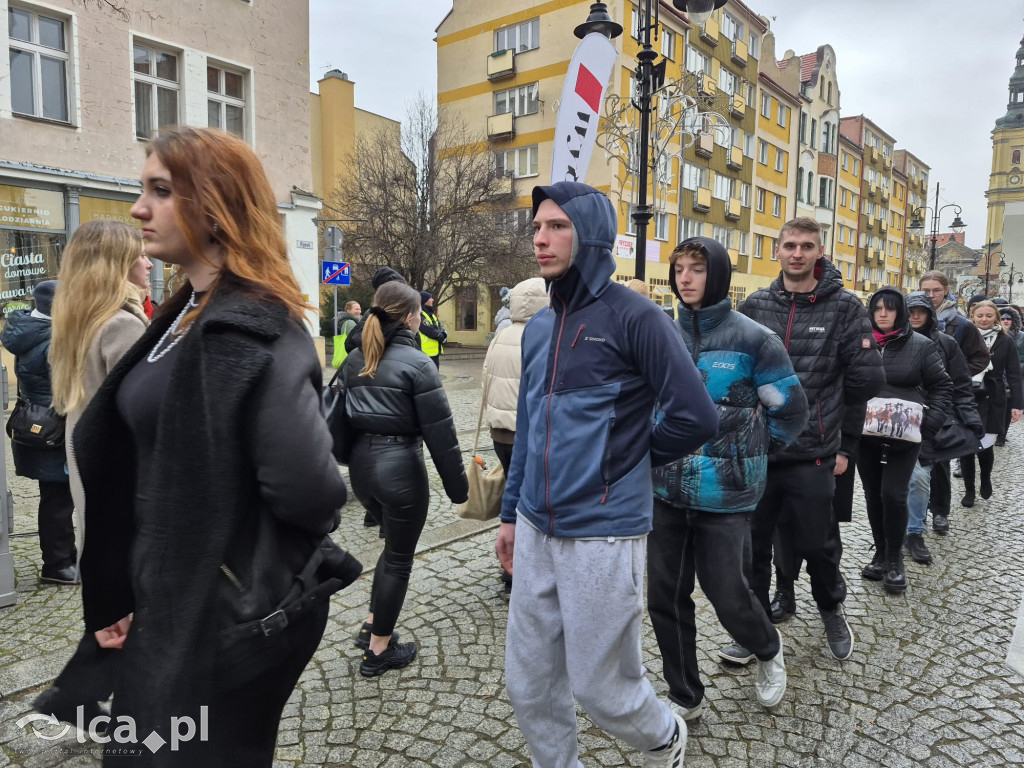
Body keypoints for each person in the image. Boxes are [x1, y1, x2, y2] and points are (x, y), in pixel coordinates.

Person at [70, 127, 350, 767]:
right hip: (167, 600)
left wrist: (220, 558)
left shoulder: (261, 325)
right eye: (144, 190)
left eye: (161, 191)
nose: (139, 208)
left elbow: (311, 490)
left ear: (215, 205)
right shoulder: (181, 313)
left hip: (228, 612)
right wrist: (124, 586)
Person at [496, 181, 719, 768]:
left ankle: (665, 736)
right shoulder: (541, 326)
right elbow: (528, 425)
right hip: (536, 524)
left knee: (602, 690)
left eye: (557, 226)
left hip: (603, 528)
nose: (541, 238)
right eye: (538, 226)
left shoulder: (635, 317)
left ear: (589, 234)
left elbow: (697, 415)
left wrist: (631, 455)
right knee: (528, 683)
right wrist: (508, 514)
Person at [648, 237, 807, 721]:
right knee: (665, 597)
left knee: (727, 593)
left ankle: (767, 646)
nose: (686, 278)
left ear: (716, 274)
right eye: (679, 269)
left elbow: (791, 412)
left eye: (697, 268)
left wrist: (750, 452)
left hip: (727, 495)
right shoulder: (660, 334)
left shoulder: (755, 340)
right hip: (664, 490)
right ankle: (685, 694)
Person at [731, 217, 883, 663]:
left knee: (818, 543)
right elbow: (736, 372)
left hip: (814, 451)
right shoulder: (756, 304)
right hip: (760, 451)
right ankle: (753, 628)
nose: (797, 253)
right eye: (790, 245)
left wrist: (845, 447)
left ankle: (831, 609)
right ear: (777, 250)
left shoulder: (846, 308)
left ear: (820, 251)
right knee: (754, 545)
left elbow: (864, 384)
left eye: (806, 246)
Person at [32, 221, 151, 730]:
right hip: (124, 490)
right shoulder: (121, 326)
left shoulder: (80, 323)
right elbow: (147, 416)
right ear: (116, 267)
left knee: (120, 610)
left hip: (93, 484)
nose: (149, 264)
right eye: (139, 256)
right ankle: (136, 729)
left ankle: (76, 695)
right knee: (136, 610)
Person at [342, 281, 468, 676]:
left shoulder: (355, 357)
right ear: (412, 318)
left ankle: (371, 624)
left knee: (391, 549)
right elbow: (442, 434)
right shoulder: (418, 364)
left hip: (362, 470)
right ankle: (378, 650)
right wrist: (458, 487)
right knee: (399, 559)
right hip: (400, 470)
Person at [856, 288, 951, 594]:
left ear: (901, 313)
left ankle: (895, 559)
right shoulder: (859, 343)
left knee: (894, 495)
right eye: (878, 308)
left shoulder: (921, 345)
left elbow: (942, 387)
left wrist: (930, 425)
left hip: (904, 436)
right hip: (865, 435)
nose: (883, 314)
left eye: (890, 309)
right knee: (873, 496)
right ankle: (881, 554)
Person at [1, 281, 76, 585]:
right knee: (58, 500)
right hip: (55, 429)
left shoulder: (29, 332)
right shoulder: (53, 340)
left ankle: (64, 558)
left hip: (40, 424)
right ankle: (57, 565)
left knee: (55, 497)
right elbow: (69, 389)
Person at [903, 291, 984, 564]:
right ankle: (892, 534)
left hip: (933, 420)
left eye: (920, 311)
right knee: (892, 484)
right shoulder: (891, 342)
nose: (915, 316)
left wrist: (970, 418)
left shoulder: (947, 344)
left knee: (922, 476)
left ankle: (917, 529)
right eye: (910, 310)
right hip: (896, 422)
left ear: (929, 314)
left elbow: (961, 384)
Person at [481, 277, 547, 594]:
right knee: (526, 500)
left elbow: (485, 379)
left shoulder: (501, 335)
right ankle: (518, 569)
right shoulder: (541, 337)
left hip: (499, 432)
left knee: (512, 493)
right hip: (526, 434)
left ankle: (507, 564)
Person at [918, 271, 990, 528]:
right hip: (915, 400)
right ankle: (916, 514)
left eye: (936, 290)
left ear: (946, 290)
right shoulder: (909, 320)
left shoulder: (960, 324)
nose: (931, 295)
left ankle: (940, 510)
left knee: (940, 459)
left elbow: (979, 358)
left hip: (943, 401)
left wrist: (947, 376)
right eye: (925, 290)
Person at [961, 300, 1023, 506]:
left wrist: (1017, 404)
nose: (984, 319)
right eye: (980, 316)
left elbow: (1014, 374)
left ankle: (985, 478)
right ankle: (969, 490)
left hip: (993, 396)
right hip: (967, 395)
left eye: (989, 315)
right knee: (966, 446)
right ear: (973, 317)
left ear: (995, 317)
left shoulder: (1005, 341)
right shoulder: (965, 337)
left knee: (986, 446)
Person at [997, 305, 1024, 445]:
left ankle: (1002, 435)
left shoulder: (1021, 337)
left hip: (1014, 375)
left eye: (1009, 318)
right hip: (998, 376)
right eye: (1002, 318)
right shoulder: (997, 335)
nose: (1006, 321)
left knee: (1008, 406)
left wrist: (1016, 366)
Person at [419, 291, 446, 368]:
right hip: (425, 354)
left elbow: (439, 326)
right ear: (425, 301)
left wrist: (443, 333)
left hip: (434, 352)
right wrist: (441, 337)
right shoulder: (421, 315)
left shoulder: (431, 314)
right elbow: (429, 331)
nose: (432, 300)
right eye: (430, 298)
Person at [332, 299, 362, 368]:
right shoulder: (350, 322)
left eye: (359, 309)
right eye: (356, 309)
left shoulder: (351, 321)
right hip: (350, 359)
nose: (359, 311)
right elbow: (355, 340)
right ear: (348, 310)